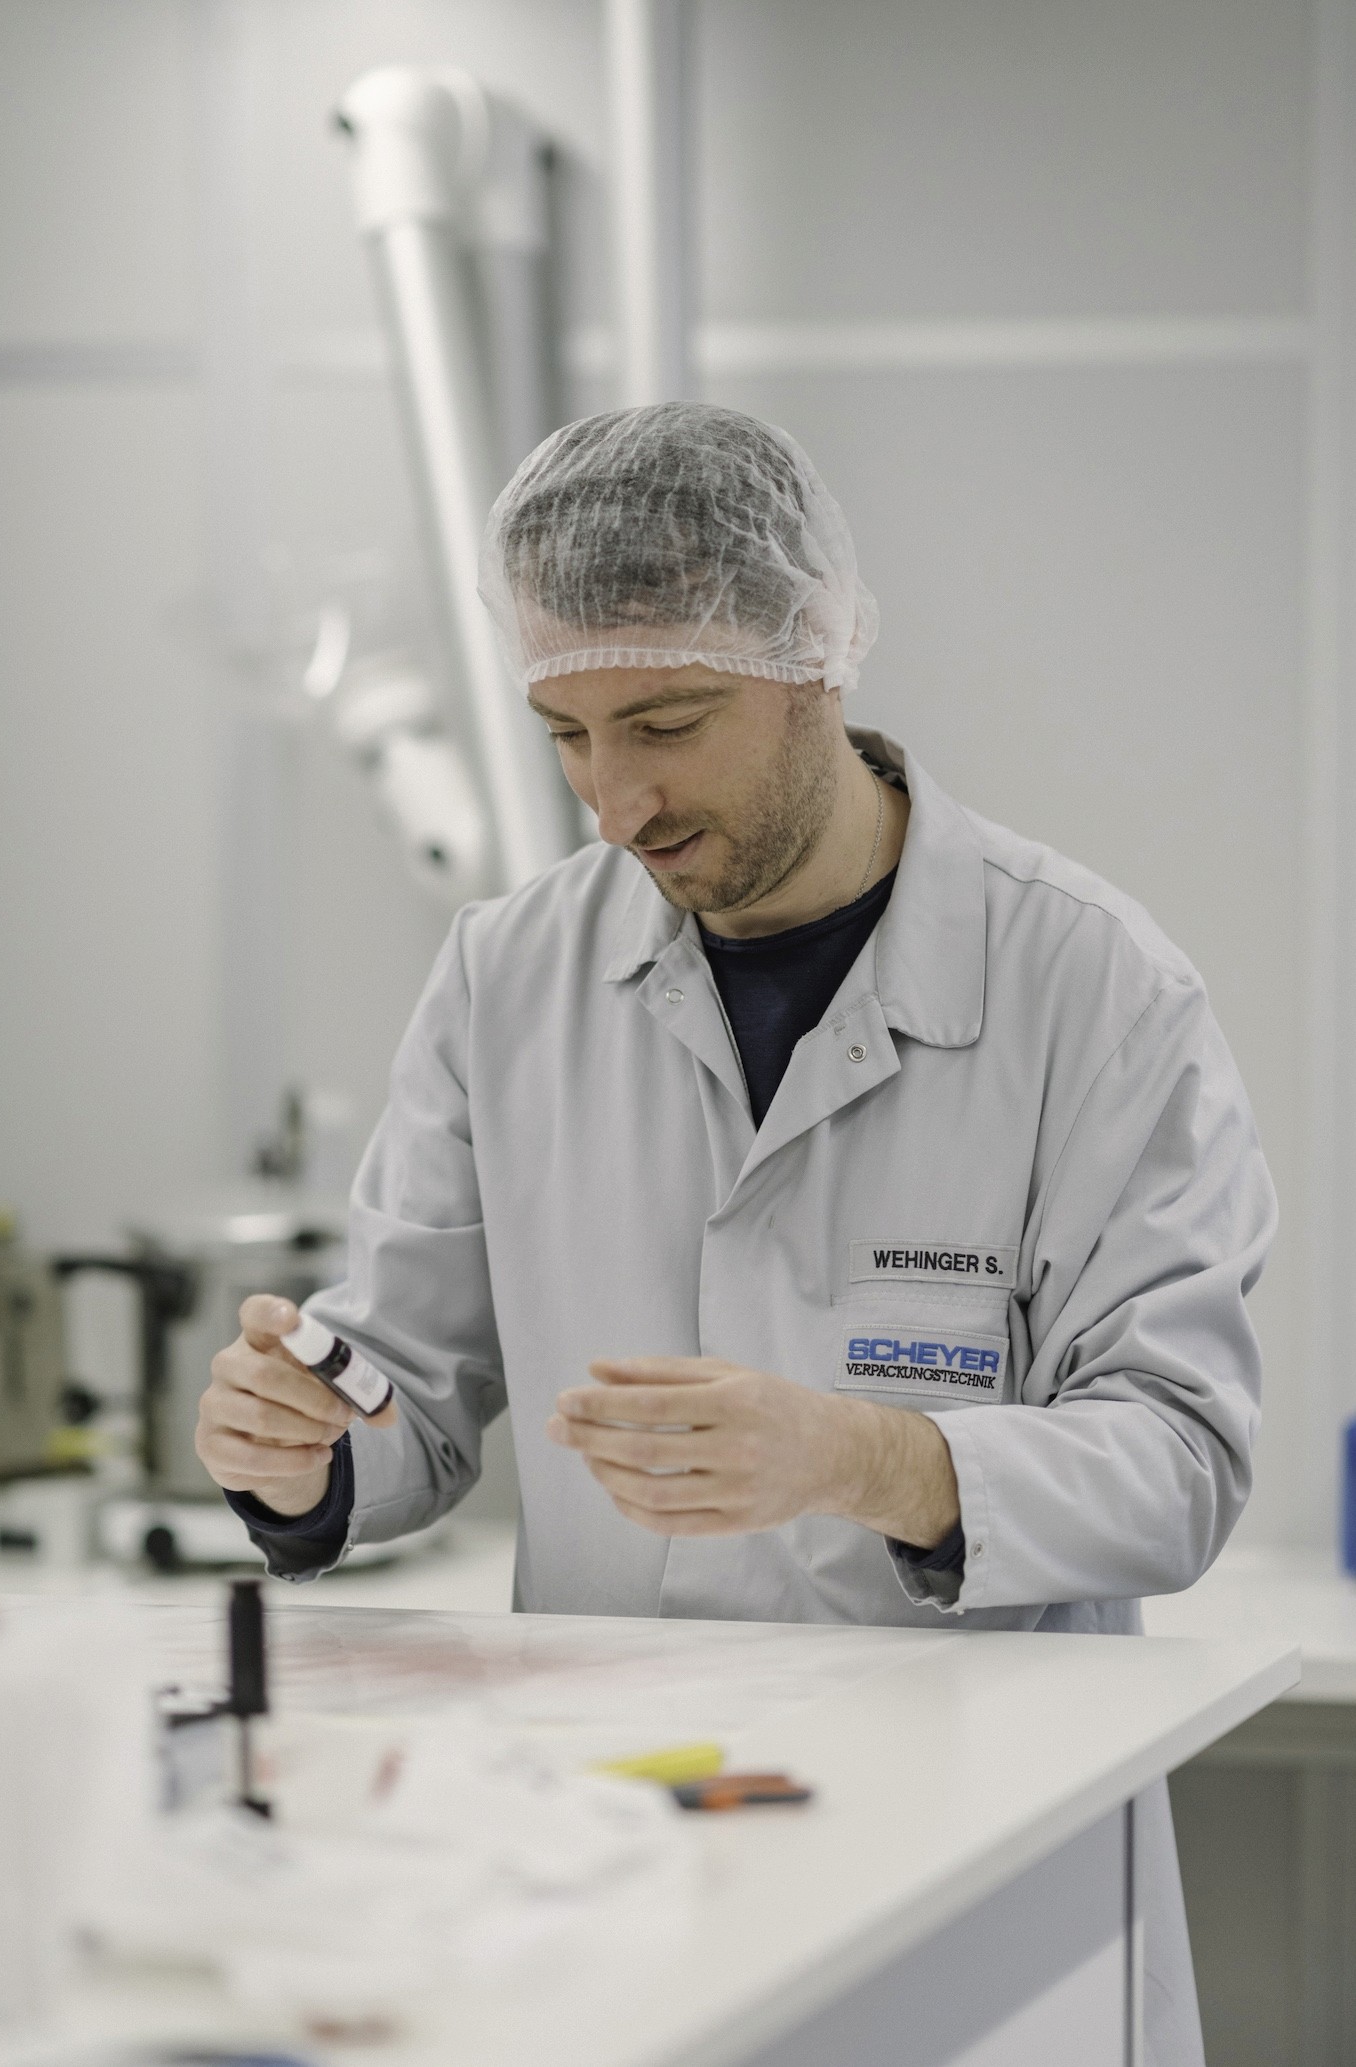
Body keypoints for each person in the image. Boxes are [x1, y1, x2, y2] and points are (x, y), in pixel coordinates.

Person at [197, 401, 1275, 2067]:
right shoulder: (510, 974)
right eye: (565, 734)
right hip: (604, 1872)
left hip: (979, 1883)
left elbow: (1183, 1458)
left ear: (816, 660)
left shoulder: (1094, 991)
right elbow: (405, 1387)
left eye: (665, 722)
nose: (611, 803)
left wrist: (872, 1461)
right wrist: (306, 1454)